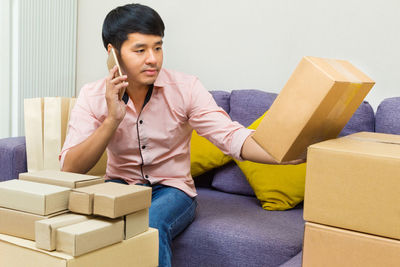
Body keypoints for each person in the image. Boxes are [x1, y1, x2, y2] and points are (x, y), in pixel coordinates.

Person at [60, 3, 303, 267]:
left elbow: (230, 136)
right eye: (140, 50)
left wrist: (282, 153)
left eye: (158, 47)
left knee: (150, 225)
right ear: (113, 53)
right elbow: (70, 168)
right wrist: (112, 120)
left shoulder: (186, 88)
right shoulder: (93, 95)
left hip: (172, 190)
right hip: (119, 185)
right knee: (91, 225)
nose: (153, 58)